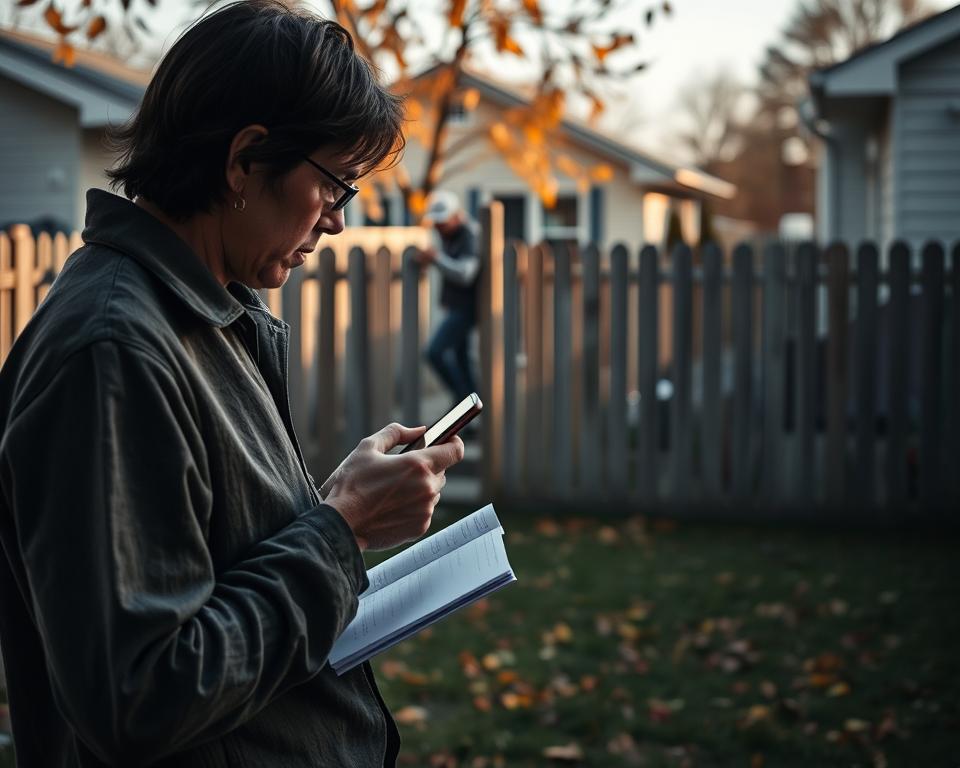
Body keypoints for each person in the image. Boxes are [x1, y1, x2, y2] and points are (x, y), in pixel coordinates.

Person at [0, 2, 464, 765]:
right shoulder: (114, 350)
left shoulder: (207, 314)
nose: (337, 222)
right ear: (245, 160)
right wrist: (341, 530)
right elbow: (140, 695)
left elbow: (214, 560)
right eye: (335, 186)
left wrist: (338, 498)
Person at [417, 190, 481, 406]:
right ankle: (471, 411)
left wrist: (436, 258)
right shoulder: (451, 235)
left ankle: (465, 401)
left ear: (456, 216)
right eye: (436, 223)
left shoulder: (469, 235)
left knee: (435, 352)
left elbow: (466, 274)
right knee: (462, 361)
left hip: (467, 308)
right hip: (456, 306)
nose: (438, 227)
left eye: (442, 222)